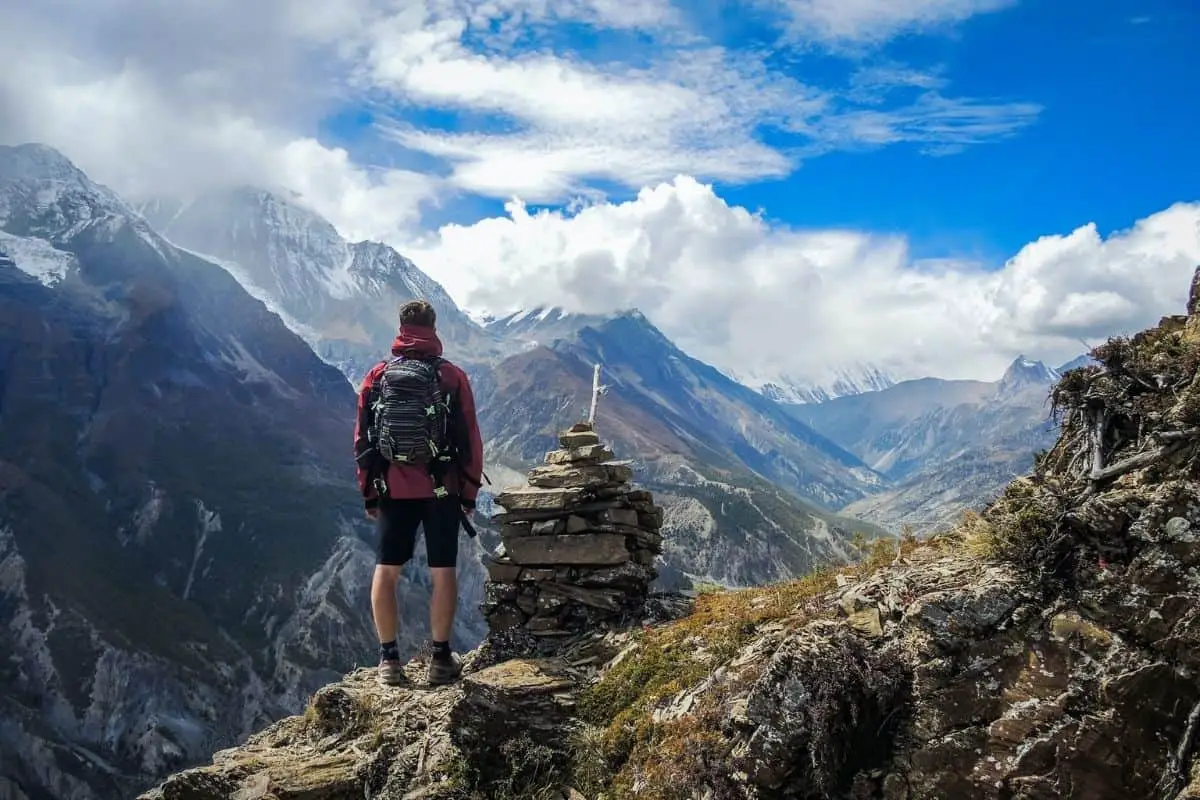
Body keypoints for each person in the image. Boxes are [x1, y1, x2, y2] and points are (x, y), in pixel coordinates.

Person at [353, 299, 484, 686]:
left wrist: (369, 493)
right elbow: (471, 440)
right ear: (434, 327)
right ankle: (440, 659)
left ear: (400, 328)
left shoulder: (377, 376)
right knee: (443, 572)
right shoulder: (452, 376)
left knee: (387, 570)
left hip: (392, 487)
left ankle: (389, 662)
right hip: (442, 487)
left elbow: (362, 440)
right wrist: (470, 493)